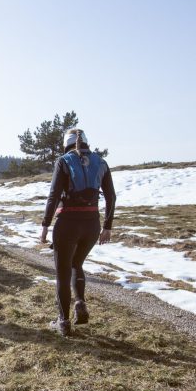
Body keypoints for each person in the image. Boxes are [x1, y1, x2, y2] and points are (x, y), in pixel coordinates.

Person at [39, 128, 116, 337]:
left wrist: (45, 224)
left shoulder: (63, 161)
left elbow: (54, 195)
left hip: (67, 225)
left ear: (66, 144)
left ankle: (63, 322)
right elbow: (111, 196)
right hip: (92, 226)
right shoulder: (101, 162)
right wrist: (107, 226)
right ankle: (80, 304)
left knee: (63, 272)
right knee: (76, 264)